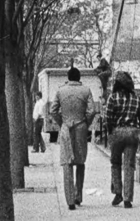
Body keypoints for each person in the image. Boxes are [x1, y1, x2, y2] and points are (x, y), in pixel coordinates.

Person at [50, 67, 96, 210]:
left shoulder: (60, 90)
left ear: (68, 77)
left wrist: (62, 122)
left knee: (67, 163)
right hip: (81, 127)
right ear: (79, 77)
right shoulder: (86, 90)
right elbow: (91, 111)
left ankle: (69, 200)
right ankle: (78, 196)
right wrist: (85, 123)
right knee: (80, 161)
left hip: (65, 127)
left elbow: (53, 110)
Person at [105, 71, 140, 209]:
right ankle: (128, 198)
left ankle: (118, 193)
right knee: (129, 166)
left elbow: (108, 118)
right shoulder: (137, 99)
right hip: (133, 133)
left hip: (118, 131)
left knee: (115, 163)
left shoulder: (113, 98)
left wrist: (110, 132)